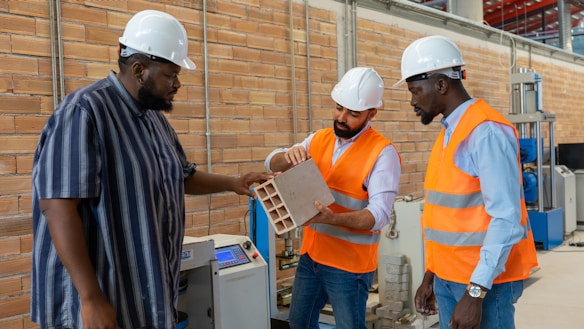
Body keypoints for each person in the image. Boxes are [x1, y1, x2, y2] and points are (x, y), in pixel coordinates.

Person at [31, 10, 273, 329]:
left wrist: (233, 182)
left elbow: (181, 175)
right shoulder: (85, 112)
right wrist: (91, 299)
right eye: (170, 74)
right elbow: (58, 205)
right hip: (98, 300)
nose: (177, 84)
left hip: (143, 294)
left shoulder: (153, 118)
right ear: (140, 69)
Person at [393, 35, 538, 329]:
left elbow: (506, 219)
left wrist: (475, 292)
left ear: (441, 85)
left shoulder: (484, 132)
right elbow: (445, 218)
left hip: (484, 285)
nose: (413, 101)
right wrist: (431, 274)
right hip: (450, 279)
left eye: (415, 91)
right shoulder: (450, 132)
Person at [265, 67, 401, 329]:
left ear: (372, 113)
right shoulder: (319, 138)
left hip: (350, 268)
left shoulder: (382, 153)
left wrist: (334, 218)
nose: (342, 117)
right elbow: (271, 162)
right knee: (298, 324)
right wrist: (289, 155)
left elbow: (379, 215)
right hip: (312, 258)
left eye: (353, 113)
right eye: (339, 108)